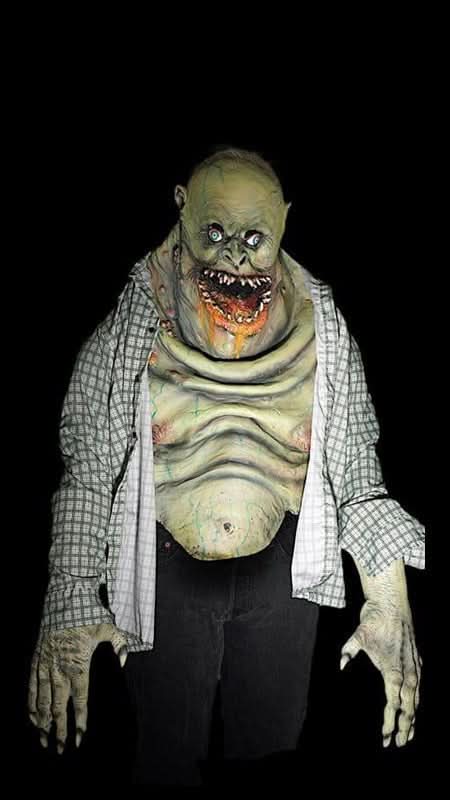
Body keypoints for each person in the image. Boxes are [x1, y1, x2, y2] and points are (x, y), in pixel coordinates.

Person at [28, 148, 425, 786]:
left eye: (254, 239)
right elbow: (90, 461)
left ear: (285, 222)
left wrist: (387, 602)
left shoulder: (321, 325)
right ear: (181, 208)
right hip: (166, 572)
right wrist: (71, 597)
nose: (235, 257)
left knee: (272, 758)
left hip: (282, 577)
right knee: (163, 762)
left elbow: (358, 473)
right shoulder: (139, 312)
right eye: (214, 234)